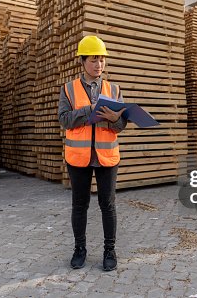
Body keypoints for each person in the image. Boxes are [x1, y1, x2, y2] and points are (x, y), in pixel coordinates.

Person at [58, 35, 127, 271]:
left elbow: (120, 126)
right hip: (79, 158)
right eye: (94, 60)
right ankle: (80, 249)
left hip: (107, 156)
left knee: (107, 205)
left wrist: (114, 119)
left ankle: (110, 251)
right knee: (80, 205)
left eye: (102, 60)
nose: (99, 65)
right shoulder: (68, 89)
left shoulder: (114, 90)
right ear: (82, 61)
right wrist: (89, 109)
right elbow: (64, 120)